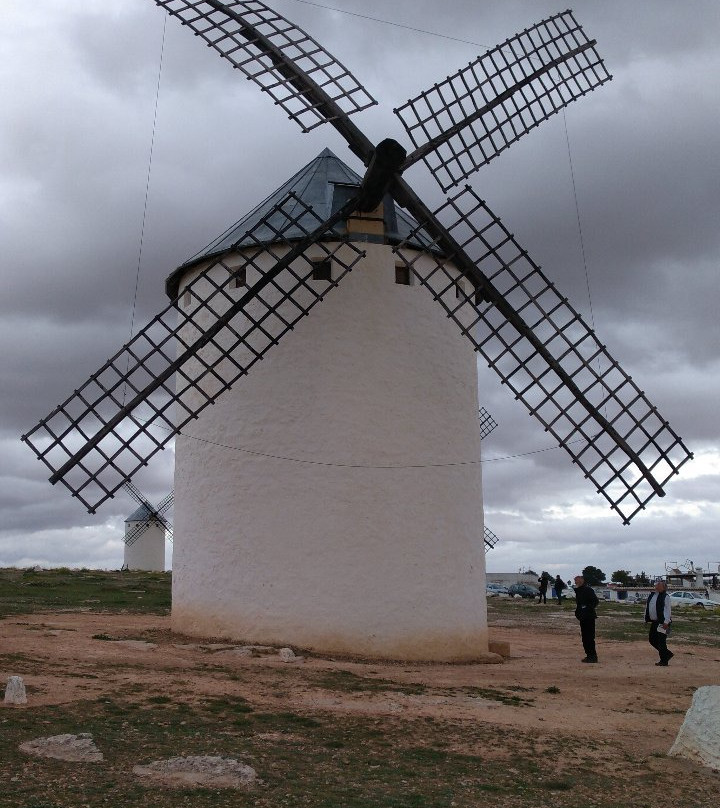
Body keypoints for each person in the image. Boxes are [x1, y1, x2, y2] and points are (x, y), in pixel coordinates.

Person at [645, 580, 673, 666]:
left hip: (663, 622)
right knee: (652, 640)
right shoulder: (652, 596)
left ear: (664, 587)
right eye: (657, 585)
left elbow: (668, 610)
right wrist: (645, 619)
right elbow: (647, 608)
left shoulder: (666, 597)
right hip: (654, 622)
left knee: (661, 641)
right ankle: (667, 654)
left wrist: (666, 622)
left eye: (659, 585)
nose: (656, 586)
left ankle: (664, 660)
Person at [573, 575, 598, 662]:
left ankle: (592, 656)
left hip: (589, 617)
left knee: (589, 637)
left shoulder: (588, 590)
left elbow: (595, 601)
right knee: (585, 637)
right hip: (583, 617)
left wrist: (586, 609)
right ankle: (589, 655)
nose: (576, 583)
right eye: (575, 581)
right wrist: (578, 613)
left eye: (577, 581)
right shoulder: (578, 591)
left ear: (582, 581)